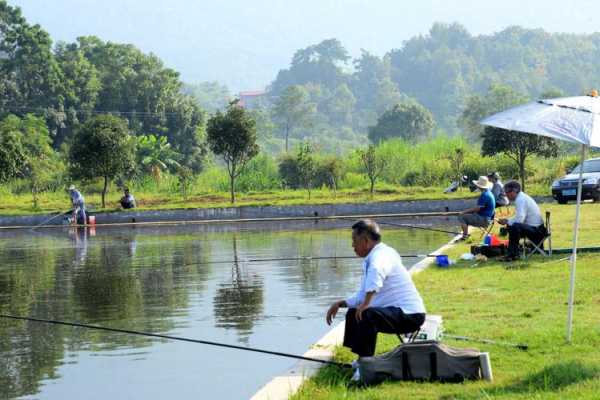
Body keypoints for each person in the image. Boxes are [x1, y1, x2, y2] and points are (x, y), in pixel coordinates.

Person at [325, 220, 426, 380]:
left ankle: (366, 368)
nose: (352, 245)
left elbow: (376, 273)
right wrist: (340, 303)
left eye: (354, 241)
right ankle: (361, 360)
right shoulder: (374, 257)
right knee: (353, 312)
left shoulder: (381, 255)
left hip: (410, 315)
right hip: (395, 312)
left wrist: (366, 304)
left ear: (365, 241)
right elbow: (361, 295)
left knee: (366, 315)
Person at [497, 181, 545, 261]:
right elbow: (519, 217)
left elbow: (520, 219)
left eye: (506, 192)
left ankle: (512, 254)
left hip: (537, 232)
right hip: (538, 229)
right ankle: (513, 252)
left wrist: (507, 221)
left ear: (513, 192)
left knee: (515, 227)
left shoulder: (520, 200)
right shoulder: (521, 197)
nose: (506, 195)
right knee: (512, 226)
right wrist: (508, 221)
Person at [457, 176, 496, 240]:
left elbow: (477, 209)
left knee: (461, 217)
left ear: (479, 186)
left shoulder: (484, 195)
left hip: (484, 220)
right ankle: (466, 234)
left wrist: (463, 212)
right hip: (488, 218)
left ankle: (465, 236)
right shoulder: (489, 192)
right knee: (466, 215)